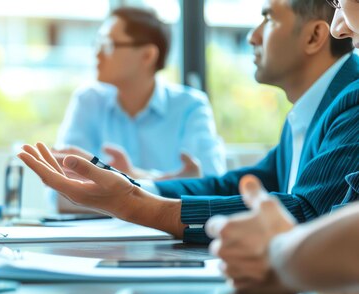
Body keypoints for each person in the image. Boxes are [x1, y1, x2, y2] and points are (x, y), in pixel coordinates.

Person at [18, 0, 359, 245]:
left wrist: (135, 204)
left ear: (315, 37)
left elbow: (308, 213)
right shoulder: (310, 108)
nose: (252, 36)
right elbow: (243, 185)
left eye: (268, 19)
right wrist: (133, 187)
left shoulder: (352, 99)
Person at [205, 0, 359, 294]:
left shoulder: (350, 100)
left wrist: (285, 258)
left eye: (343, 3)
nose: (339, 28)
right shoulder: (299, 117)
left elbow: (314, 216)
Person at [55, 7, 225, 181]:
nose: (97, 53)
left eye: (108, 45)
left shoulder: (191, 107)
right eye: (97, 43)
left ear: (147, 55)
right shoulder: (88, 101)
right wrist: (152, 181)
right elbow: (59, 187)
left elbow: (209, 187)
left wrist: (132, 179)